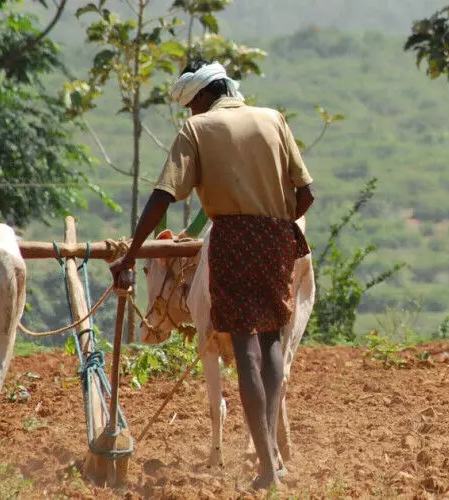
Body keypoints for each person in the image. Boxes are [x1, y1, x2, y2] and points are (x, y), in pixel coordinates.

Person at [109, 59, 315, 490]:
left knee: (245, 352)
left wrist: (132, 252)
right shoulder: (273, 119)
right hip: (281, 237)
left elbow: (163, 195)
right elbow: (307, 193)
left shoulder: (197, 130)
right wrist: (274, 227)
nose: (190, 114)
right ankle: (272, 458)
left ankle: (265, 470)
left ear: (202, 96)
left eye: (190, 105)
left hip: (232, 241)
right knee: (272, 341)